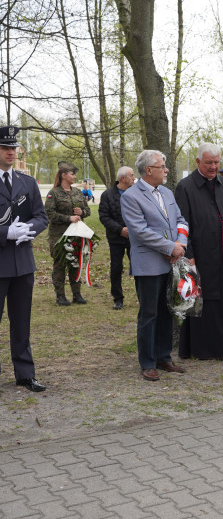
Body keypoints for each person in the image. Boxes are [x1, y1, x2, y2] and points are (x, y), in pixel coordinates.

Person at [120, 150, 188, 381]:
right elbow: (140, 232)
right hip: (148, 264)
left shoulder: (167, 193)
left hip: (171, 262)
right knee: (149, 314)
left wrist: (181, 243)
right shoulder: (131, 196)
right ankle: (148, 362)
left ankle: (164, 357)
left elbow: (180, 220)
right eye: (162, 166)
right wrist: (171, 247)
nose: (166, 170)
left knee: (167, 310)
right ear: (148, 170)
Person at [175, 143, 223, 360]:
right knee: (203, 298)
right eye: (209, 163)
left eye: (216, 162)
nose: (213, 167)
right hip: (201, 254)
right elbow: (182, 223)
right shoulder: (185, 187)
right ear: (198, 162)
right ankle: (204, 348)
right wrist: (189, 253)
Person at [0, 127, 49, 392]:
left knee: (22, 322)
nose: (11, 152)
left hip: (22, 263)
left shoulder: (26, 182)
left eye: (13, 148)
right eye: (5, 148)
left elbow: (41, 216)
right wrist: (7, 232)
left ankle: (25, 374)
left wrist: (28, 230)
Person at [45, 162, 91, 306]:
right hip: (59, 235)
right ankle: (60, 296)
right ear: (64, 175)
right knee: (60, 264)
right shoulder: (54, 193)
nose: (74, 176)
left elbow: (87, 210)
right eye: (72, 174)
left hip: (76, 234)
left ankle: (77, 294)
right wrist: (68, 218)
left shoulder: (77, 193)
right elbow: (50, 214)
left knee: (75, 263)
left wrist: (81, 212)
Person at [99, 166, 136, 310]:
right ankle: (118, 299)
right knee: (116, 268)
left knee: (138, 268)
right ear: (123, 178)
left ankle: (142, 295)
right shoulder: (107, 195)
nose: (134, 178)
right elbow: (104, 217)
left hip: (135, 238)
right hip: (116, 239)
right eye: (131, 175)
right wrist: (120, 229)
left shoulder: (136, 193)